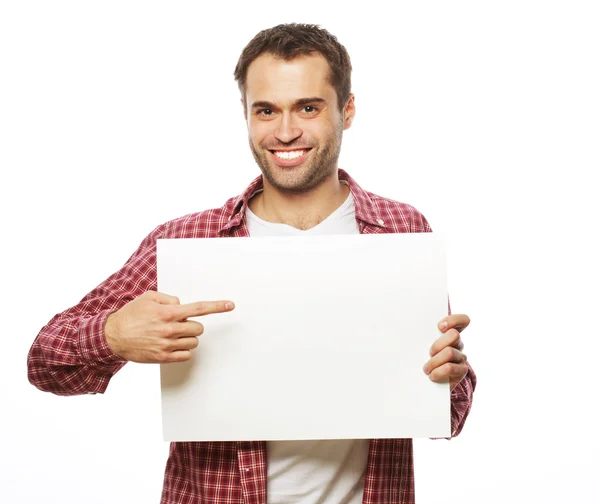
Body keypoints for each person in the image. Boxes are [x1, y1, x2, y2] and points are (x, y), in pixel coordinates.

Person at [28, 23, 476, 504]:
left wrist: (450, 376)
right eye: (266, 110)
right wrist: (113, 334)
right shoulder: (188, 240)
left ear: (346, 111)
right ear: (246, 115)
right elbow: (44, 361)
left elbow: (448, 415)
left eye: (308, 107)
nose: (285, 131)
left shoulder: (401, 229)